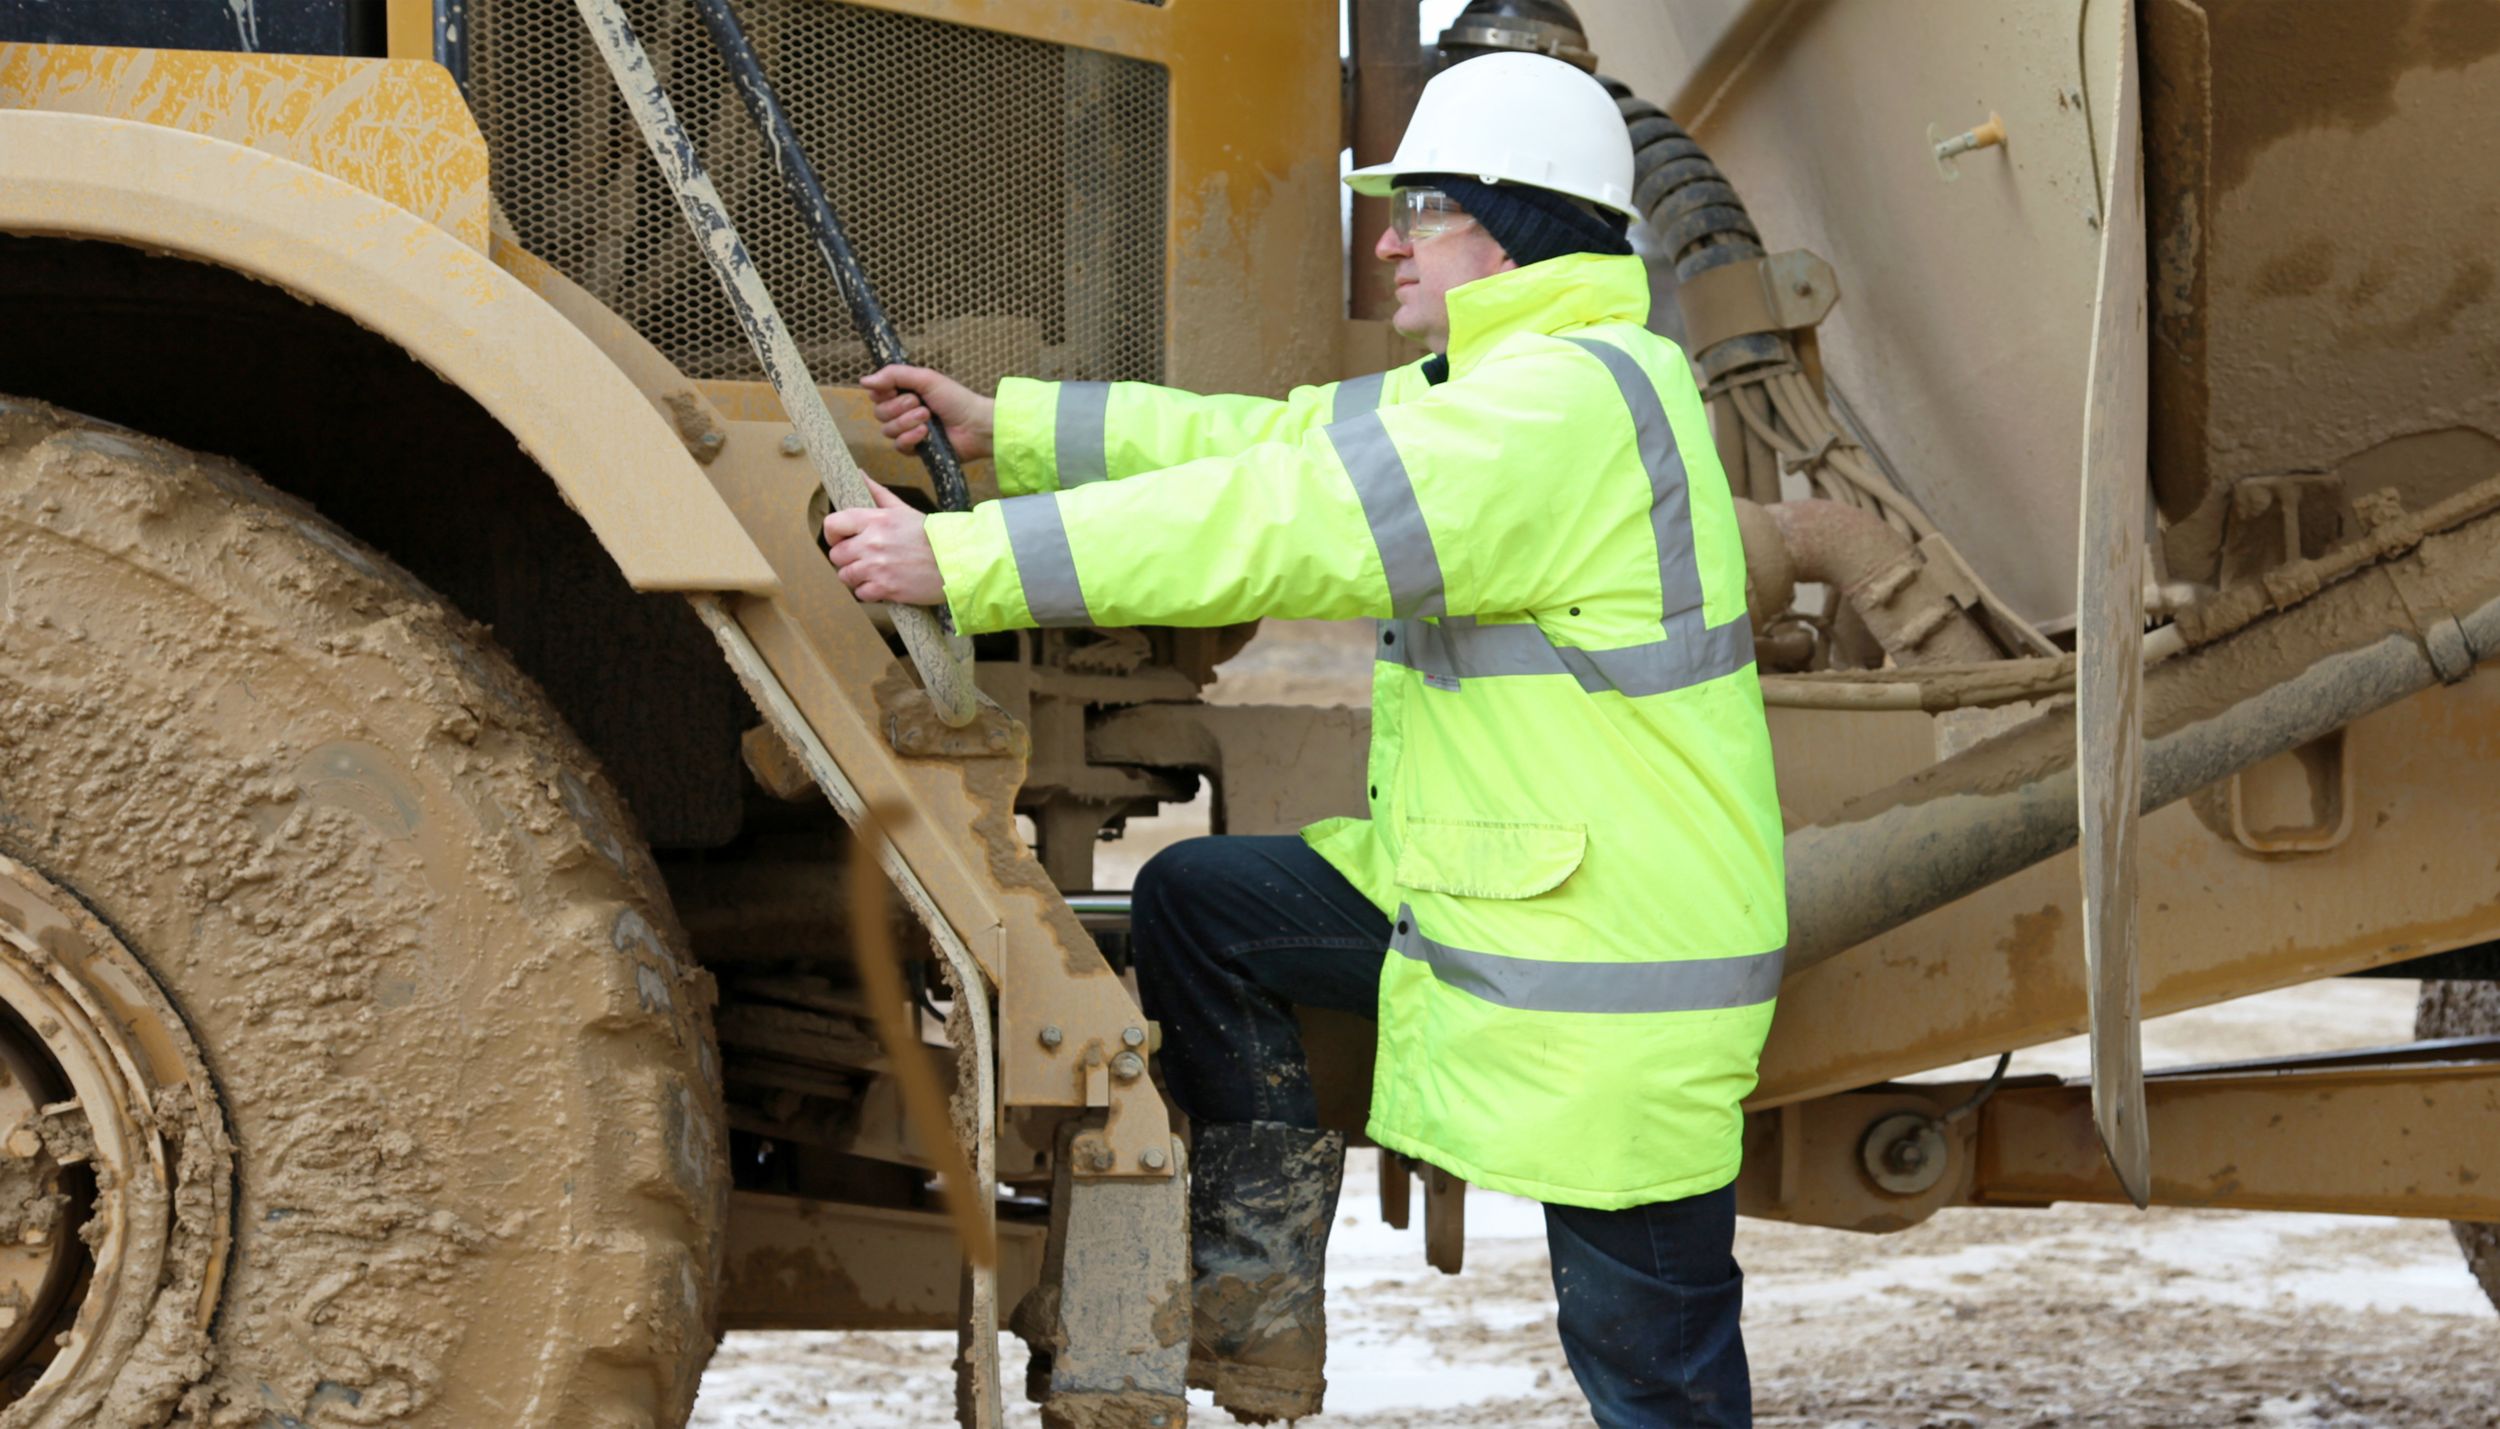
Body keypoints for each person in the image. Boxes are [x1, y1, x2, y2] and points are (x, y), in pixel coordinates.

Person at [824, 50, 1784, 1429]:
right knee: (1203, 905)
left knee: (1650, 1368)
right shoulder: (1504, 381)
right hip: (1523, 898)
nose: (1389, 239)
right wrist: (1013, 432)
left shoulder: (1553, 411)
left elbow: (1285, 523)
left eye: (1422, 210)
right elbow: (1263, 446)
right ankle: (1259, 1302)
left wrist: (963, 561)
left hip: (1609, 966)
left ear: (1505, 225)